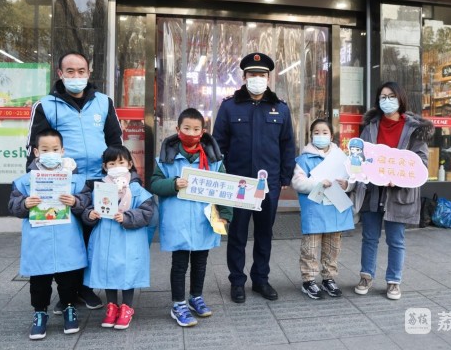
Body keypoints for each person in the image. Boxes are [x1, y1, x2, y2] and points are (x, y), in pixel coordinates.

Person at [26, 51, 123, 311]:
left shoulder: (104, 102)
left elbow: (116, 142)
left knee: (95, 236)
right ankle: (68, 293)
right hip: (65, 184)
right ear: (60, 74)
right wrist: (37, 185)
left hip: (100, 181)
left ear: (89, 73)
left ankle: (87, 288)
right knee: (69, 238)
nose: (76, 76)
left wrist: (120, 175)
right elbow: (34, 149)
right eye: (70, 71)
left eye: (81, 71)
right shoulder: (46, 105)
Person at [213, 52, 295, 303]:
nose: (257, 78)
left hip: (268, 184)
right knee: (237, 234)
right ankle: (237, 281)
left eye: (261, 75)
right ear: (244, 77)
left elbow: (287, 145)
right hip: (238, 183)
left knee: (264, 233)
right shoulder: (229, 107)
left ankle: (261, 279)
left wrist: (285, 176)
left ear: (268, 78)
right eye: (252, 74)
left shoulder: (280, 108)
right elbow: (218, 145)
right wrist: (221, 176)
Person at [150, 108, 232, 327]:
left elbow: (224, 189)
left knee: (200, 262)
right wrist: (173, 184)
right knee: (179, 264)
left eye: (196, 129)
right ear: (178, 129)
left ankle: (196, 297)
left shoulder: (214, 160)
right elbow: (154, 184)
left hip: (203, 221)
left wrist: (225, 214)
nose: (191, 133)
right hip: (177, 222)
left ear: (203, 131)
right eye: (187, 128)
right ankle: (178, 304)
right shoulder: (166, 159)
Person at [353, 81, 433, 300]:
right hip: (372, 191)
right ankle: (366, 276)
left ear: (400, 99)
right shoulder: (370, 127)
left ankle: (393, 281)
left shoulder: (414, 129)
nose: (386, 101)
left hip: (399, 194)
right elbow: (361, 156)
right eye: (383, 97)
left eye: (391, 96)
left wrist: (398, 179)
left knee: (396, 240)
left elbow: (421, 162)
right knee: (369, 237)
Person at [8, 128, 90, 340]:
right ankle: (40, 313)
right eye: (45, 150)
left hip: (66, 241)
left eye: (55, 149)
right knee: (39, 282)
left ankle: (69, 308)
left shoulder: (75, 180)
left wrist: (75, 202)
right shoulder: (24, 182)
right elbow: (13, 206)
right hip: (39, 243)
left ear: (62, 151)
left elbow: (86, 202)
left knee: (69, 280)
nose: (50, 153)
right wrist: (24, 203)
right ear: (36, 152)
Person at [82, 145, 155, 330]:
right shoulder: (99, 188)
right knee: (108, 271)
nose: (116, 167)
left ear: (129, 164)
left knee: (127, 272)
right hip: (105, 238)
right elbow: (86, 209)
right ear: (105, 166)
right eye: (111, 163)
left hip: (129, 239)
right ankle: (112, 307)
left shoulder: (137, 189)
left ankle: (127, 308)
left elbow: (147, 213)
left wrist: (127, 217)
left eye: (121, 162)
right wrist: (90, 214)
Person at [291, 119, 355, 299]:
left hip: (335, 209)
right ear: (311, 136)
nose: (321, 136)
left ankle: (328, 278)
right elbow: (297, 182)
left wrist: (347, 185)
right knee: (310, 247)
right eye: (316, 133)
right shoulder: (304, 159)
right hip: (314, 209)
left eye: (325, 132)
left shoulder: (342, 158)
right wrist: (317, 183)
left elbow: (352, 179)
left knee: (333, 247)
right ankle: (308, 280)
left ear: (331, 136)